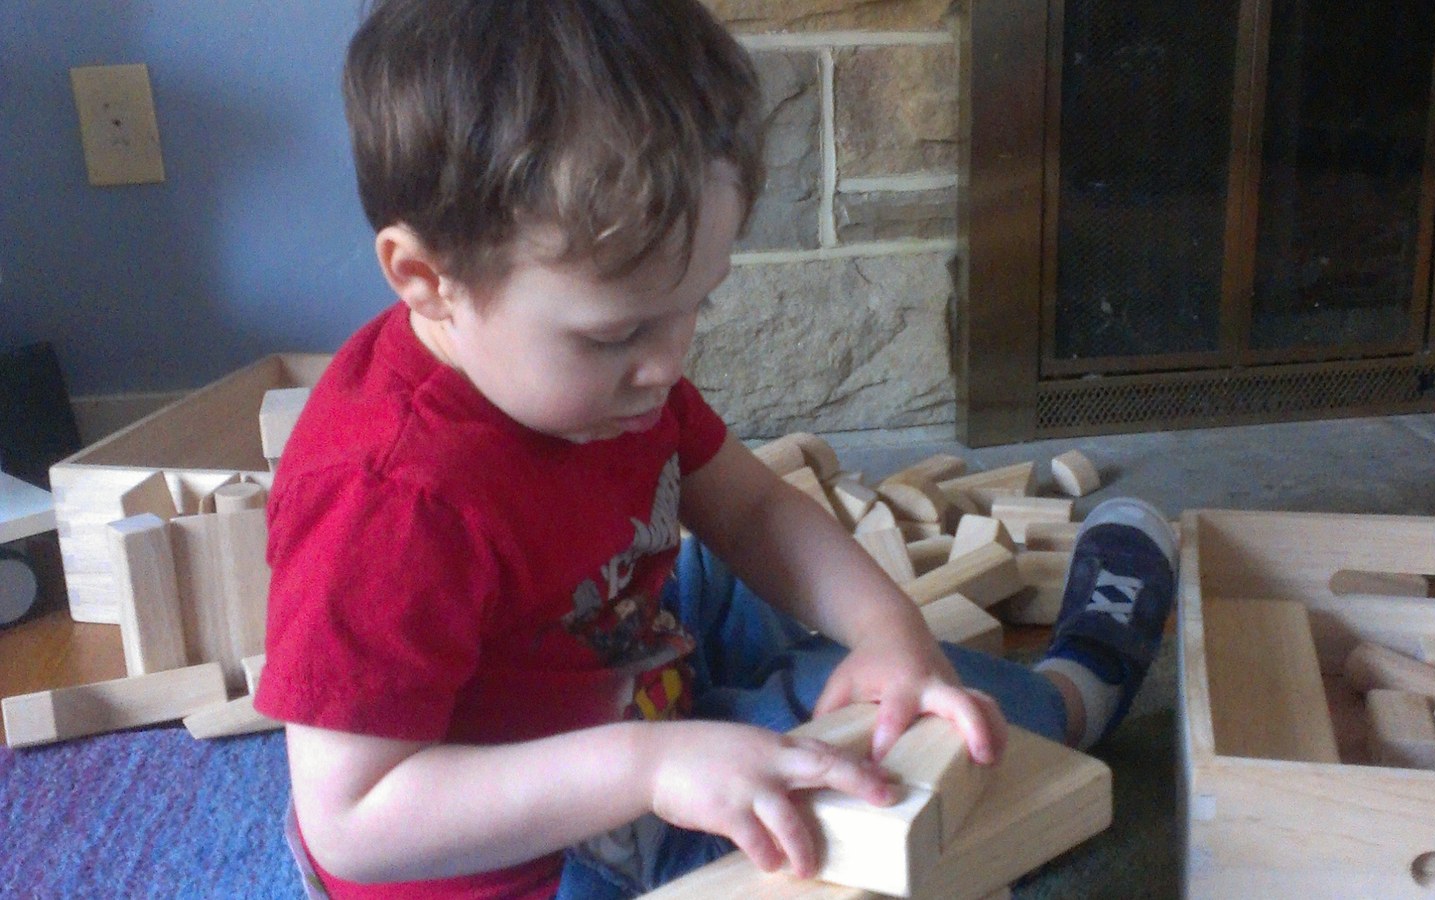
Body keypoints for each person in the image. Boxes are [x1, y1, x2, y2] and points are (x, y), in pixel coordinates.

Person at [254, 1, 1179, 898]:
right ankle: (1062, 705)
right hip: (533, 854)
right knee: (836, 780)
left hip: (617, 651)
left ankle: (1061, 702)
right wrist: (651, 766)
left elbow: (753, 508)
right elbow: (352, 819)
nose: (668, 363)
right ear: (425, 280)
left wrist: (891, 634)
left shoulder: (613, 387)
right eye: (616, 335)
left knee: (880, 683)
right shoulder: (386, 500)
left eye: (699, 303)